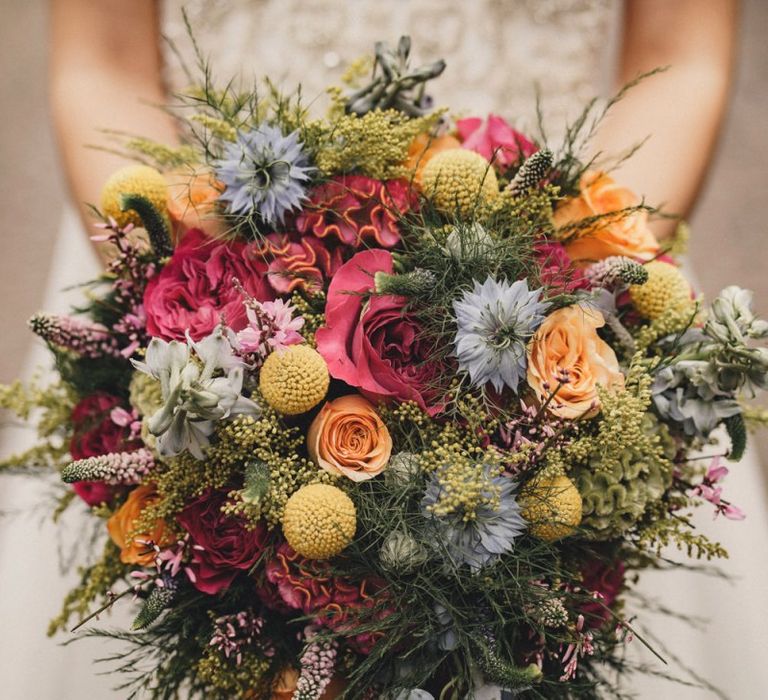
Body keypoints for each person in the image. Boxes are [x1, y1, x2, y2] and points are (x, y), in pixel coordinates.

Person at [2, 1, 761, 698]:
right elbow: (100, 60)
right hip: (204, 255)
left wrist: (555, 284)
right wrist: (205, 311)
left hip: (558, 267)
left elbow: (683, 57)